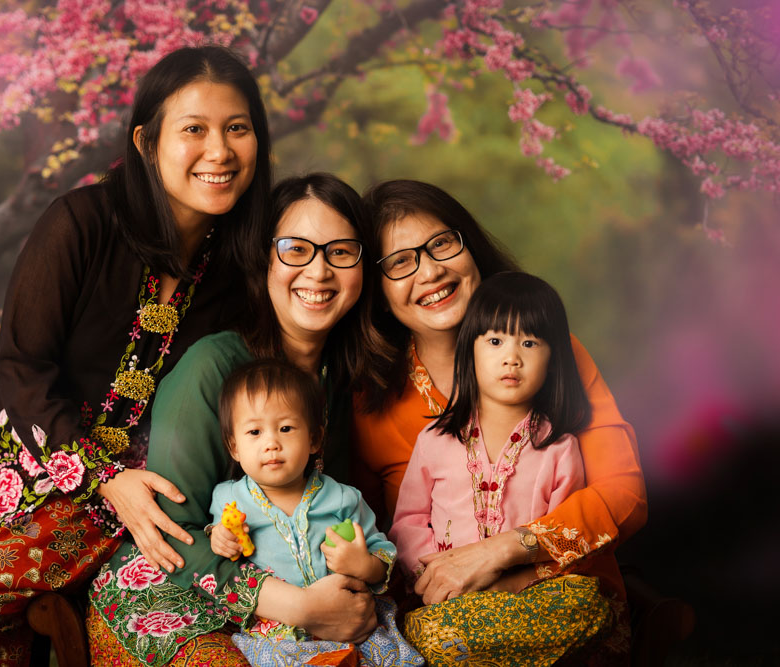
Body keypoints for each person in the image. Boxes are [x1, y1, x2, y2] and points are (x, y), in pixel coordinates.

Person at [0, 45, 273, 665]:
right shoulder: (81, 221)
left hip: (159, 490)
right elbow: (23, 367)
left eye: (238, 128)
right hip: (30, 460)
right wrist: (103, 477)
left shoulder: (250, 261)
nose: (220, 151)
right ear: (146, 141)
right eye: (194, 130)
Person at [86, 174, 386, 666]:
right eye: (295, 249)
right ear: (264, 258)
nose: (318, 271)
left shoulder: (338, 376)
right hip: (172, 585)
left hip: (290, 601)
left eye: (340, 251)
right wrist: (300, 607)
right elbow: (170, 531)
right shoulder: (213, 367)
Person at [353, 180, 647, 662]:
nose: (429, 270)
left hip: (557, 602)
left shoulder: (553, 355)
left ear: (471, 247)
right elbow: (370, 526)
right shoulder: (369, 398)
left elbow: (626, 496)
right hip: (440, 612)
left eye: (442, 244)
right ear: (380, 292)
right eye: (401, 262)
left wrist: (507, 552)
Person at [391, 271, 614, 664]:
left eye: (529, 342)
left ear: (553, 359)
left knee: (588, 605)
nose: (512, 357)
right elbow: (408, 522)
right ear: (470, 350)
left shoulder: (559, 447)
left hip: (527, 601)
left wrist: (515, 583)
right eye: (495, 341)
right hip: (448, 604)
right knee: (432, 631)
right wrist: (433, 580)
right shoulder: (435, 440)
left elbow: (563, 543)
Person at [207, 358, 420, 667]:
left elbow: (382, 556)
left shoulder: (343, 498)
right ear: (234, 448)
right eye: (254, 432)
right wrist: (220, 538)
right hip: (278, 633)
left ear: (314, 439)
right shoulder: (229, 499)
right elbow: (217, 544)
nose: (271, 443)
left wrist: (364, 564)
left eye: (285, 428)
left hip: (351, 622)